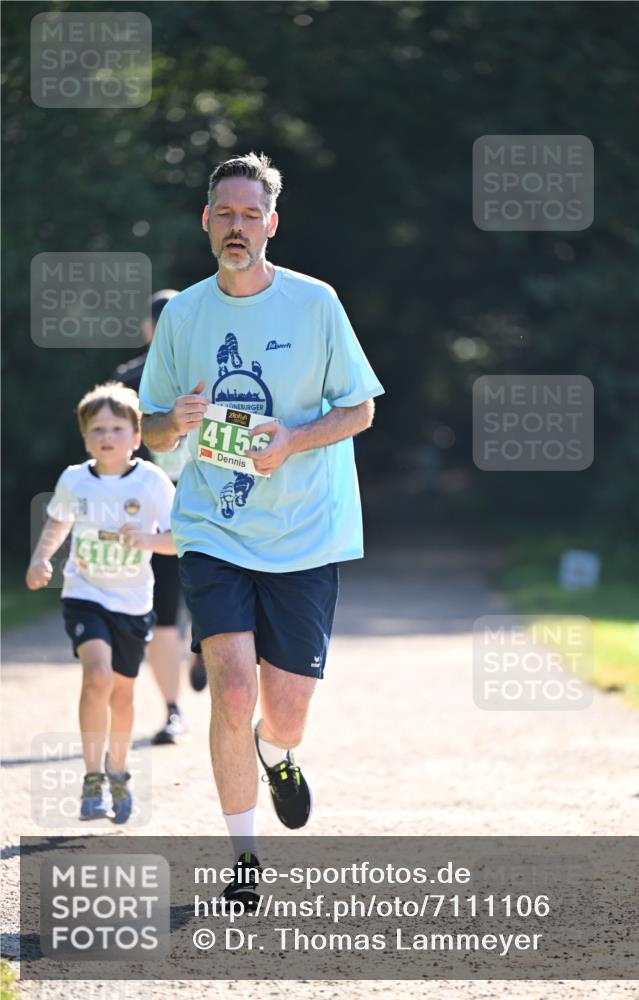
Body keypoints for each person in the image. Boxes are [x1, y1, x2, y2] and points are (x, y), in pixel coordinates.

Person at [139, 151, 384, 902]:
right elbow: (149, 430)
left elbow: (361, 408)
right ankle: (243, 860)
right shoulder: (182, 315)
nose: (237, 226)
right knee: (232, 689)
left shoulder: (315, 304)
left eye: (251, 214)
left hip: (305, 534)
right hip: (215, 529)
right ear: (206, 221)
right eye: (226, 213)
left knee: (283, 712)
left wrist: (290, 441)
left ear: (271, 224)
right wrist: (171, 423)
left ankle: (279, 757)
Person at [26, 383, 176, 823]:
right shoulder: (74, 479)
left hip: (132, 602)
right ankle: (92, 776)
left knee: (123, 694)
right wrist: (40, 559)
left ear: (136, 436)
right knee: (97, 675)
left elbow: (180, 539)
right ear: (86, 437)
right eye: (97, 429)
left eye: (116, 427)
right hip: (84, 593)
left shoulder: (152, 481)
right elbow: (57, 523)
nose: (106, 436)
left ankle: (117, 770)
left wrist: (147, 539)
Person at [115, 290, 207, 748]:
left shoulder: (206, 374)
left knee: (180, 606)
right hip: (163, 501)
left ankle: (192, 669)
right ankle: (175, 705)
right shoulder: (132, 380)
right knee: (168, 608)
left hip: (201, 498)